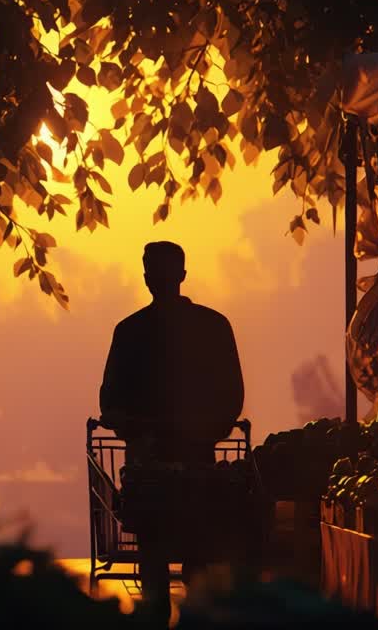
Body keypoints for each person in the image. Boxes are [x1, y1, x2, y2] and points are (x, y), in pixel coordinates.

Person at [98, 241, 245, 619]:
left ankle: (159, 615)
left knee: (154, 549)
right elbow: (232, 396)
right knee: (198, 546)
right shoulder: (213, 326)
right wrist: (205, 428)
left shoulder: (130, 331)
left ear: (147, 277)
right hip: (198, 460)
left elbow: (109, 403)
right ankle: (195, 614)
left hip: (147, 466)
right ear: (182, 275)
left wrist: (138, 427)